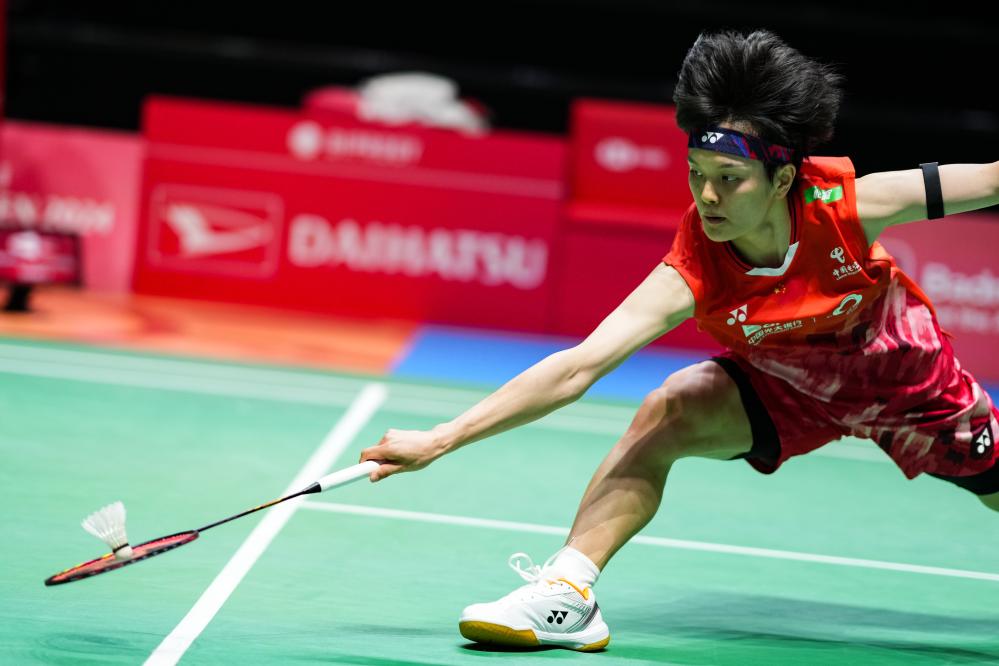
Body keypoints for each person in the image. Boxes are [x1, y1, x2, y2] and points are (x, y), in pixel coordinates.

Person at [359, 29, 999, 651]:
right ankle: (567, 592)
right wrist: (442, 438)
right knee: (668, 410)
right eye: (696, 172)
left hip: (908, 383)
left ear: (781, 180)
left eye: (730, 177)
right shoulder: (695, 265)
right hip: (787, 389)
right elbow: (579, 366)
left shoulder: (848, 205)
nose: (708, 195)